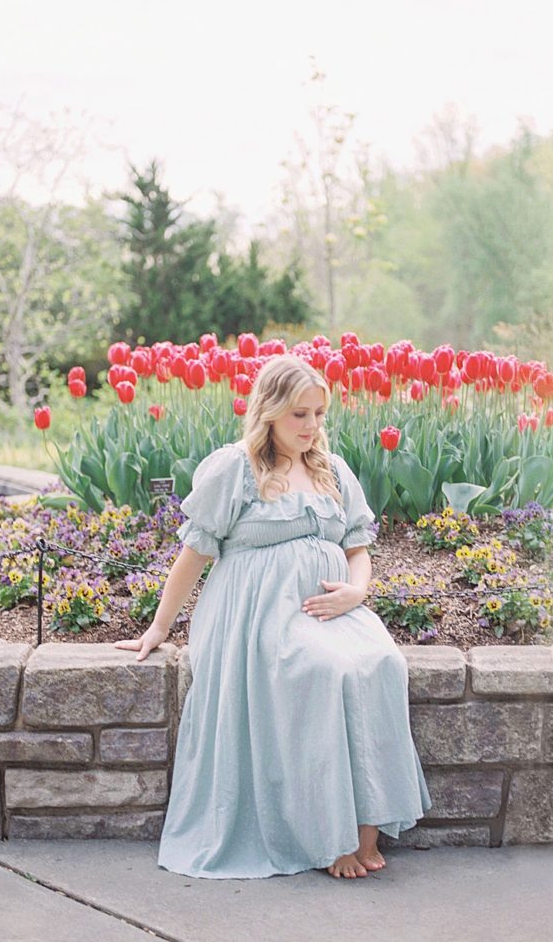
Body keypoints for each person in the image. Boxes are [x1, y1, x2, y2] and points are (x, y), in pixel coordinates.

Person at [114, 354, 432, 879]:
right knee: (325, 673)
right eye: (299, 415)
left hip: (332, 611)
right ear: (269, 412)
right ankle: (327, 838)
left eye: (318, 414)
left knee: (382, 664)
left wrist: (357, 592)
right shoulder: (236, 469)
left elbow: (357, 546)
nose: (311, 427)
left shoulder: (331, 469)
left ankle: (365, 829)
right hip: (258, 617)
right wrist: (158, 628)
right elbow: (193, 555)